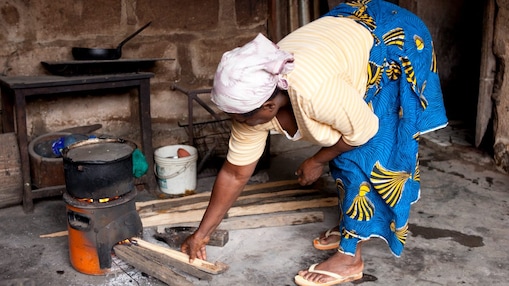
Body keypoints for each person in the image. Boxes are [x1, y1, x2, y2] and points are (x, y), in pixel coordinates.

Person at [180, 0, 448, 285]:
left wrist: (316, 160)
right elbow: (235, 173)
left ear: (269, 106)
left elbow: (364, 131)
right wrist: (202, 234)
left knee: (361, 156)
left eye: (243, 118)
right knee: (342, 147)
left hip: (392, 39)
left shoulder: (314, 93)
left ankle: (350, 257)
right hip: (348, 32)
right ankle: (351, 226)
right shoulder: (251, 104)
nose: (239, 123)